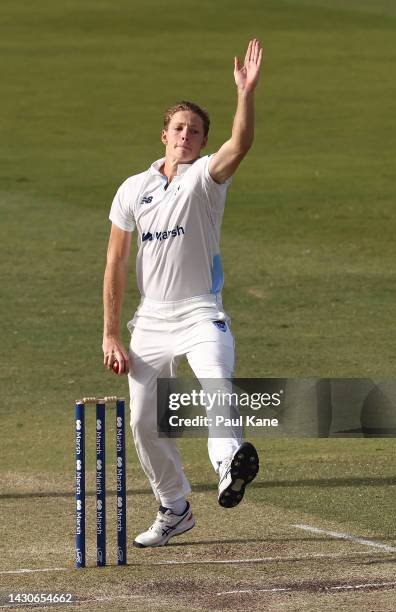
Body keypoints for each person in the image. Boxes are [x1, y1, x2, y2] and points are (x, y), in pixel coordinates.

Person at [102, 39, 263, 548]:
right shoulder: (134, 188)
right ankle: (174, 508)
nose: (186, 137)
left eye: (195, 132)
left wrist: (245, 94)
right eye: (179, 128)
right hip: (150, 322)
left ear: (201, 142)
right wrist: (110, 332)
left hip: (201, 313)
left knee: (216, 382)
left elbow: (240, 145)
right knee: (146, 426)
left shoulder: (205, 180)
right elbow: (115, 261)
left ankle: (227, 467)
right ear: (164, 134)